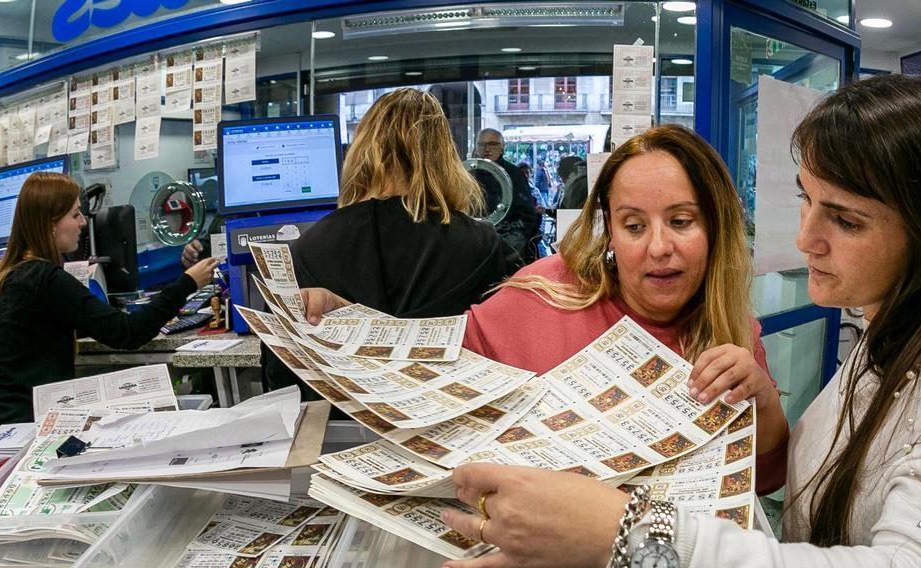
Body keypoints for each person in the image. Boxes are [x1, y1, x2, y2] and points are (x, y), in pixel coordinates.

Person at [437, 75, 921, 568]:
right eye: (806, 200)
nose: (806, 239)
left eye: (847, 221)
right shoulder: (881, 339)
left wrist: (622, 536)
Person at [301, 124, 789, 494]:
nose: (659, 247)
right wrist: (347, 319)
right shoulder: (546, 289)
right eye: (634, 226)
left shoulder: (733, 329)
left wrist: (763, 400)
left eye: (681, 221)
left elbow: (765, 480)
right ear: (611, 232)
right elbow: (426, 361)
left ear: (716, 227)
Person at [0, 172, 217, 437]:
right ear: (50, 223)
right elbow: (129, 332)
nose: (82, 224)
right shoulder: (45, 278)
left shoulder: (4, 273)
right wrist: (188, 283)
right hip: (21, 430)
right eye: (75, 215)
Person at [289, 88, 518, 318]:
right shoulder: (484, 246)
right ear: (444, 156)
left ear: (361, 151)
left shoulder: (310, 247)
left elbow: (276, 349)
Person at [475, 128, 542, 264]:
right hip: (476, 243)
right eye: (482, 144)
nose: (487, 149)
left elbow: (527, 214)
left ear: (502, 148)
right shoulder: (469, 173)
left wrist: (511, 243)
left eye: (493, 144)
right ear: (476, 147)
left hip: (507, 246)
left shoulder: (514, 175)